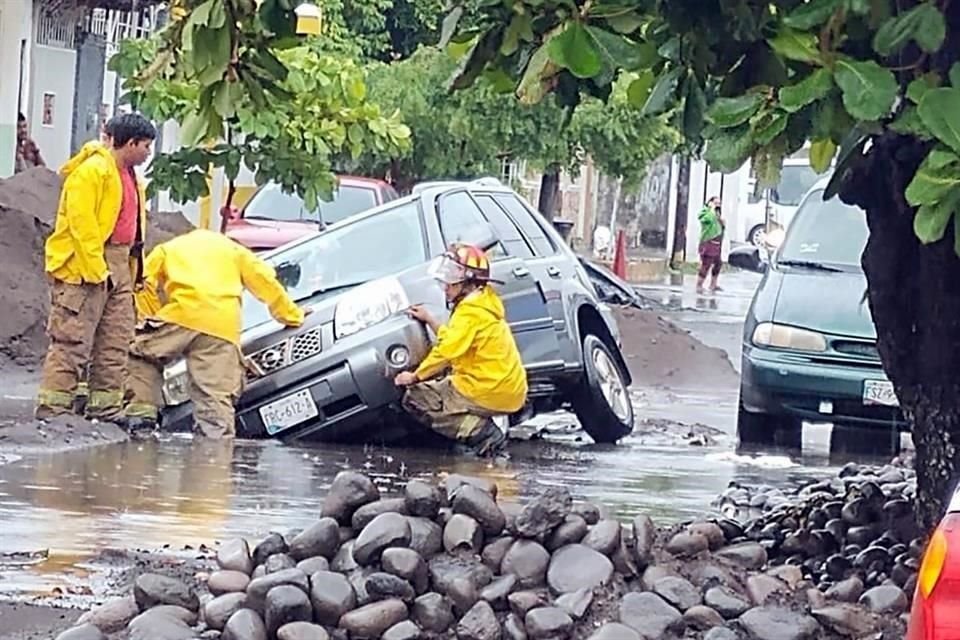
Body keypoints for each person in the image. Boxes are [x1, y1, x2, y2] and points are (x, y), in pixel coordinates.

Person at [124, 229, 307, 438]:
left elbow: (144, 281)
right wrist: (292, 315)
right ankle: (215, 453)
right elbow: (265, 281)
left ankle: (141, 421)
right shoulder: (236, 251)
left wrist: (151, 317)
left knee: (140, 353)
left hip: (181, 315)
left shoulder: (168, 249)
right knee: (215, 396)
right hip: (222, 326)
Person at [35, 113, 156, 422]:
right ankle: (54, 410)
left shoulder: (129, 176)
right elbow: (82, 227)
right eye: (146, 146)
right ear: (130, 143)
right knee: (71, 339)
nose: (148, 153)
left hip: (119, 265)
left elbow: (133, 230)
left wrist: (131, 272)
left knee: (115, 340)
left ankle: (105, 408)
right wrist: (95, 272)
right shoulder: (92, 172)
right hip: (84, 267)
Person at [394, 244, 528, 457]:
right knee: (445, 384)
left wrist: (414, 376)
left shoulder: (470, 313)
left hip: (486, 389)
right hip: (506, 388)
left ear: (469, 282)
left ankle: (483, 435)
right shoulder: (484, 303)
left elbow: (446, 352)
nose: (445, 286)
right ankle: (477, 428)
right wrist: (430, 320)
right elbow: (456, 340)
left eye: (451, 279)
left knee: (416, 398)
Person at [697, 196, 725, 294]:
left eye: (719, 203)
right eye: (715, 203)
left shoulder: (717, 214)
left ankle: (713, 284)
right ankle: (699, 285)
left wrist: (722, 222)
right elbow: (706, 219)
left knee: (718, 263)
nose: (717, 205)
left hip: (717, 243)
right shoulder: (706, 212)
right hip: (708, 242)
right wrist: (711, 209)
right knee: (706, 264)